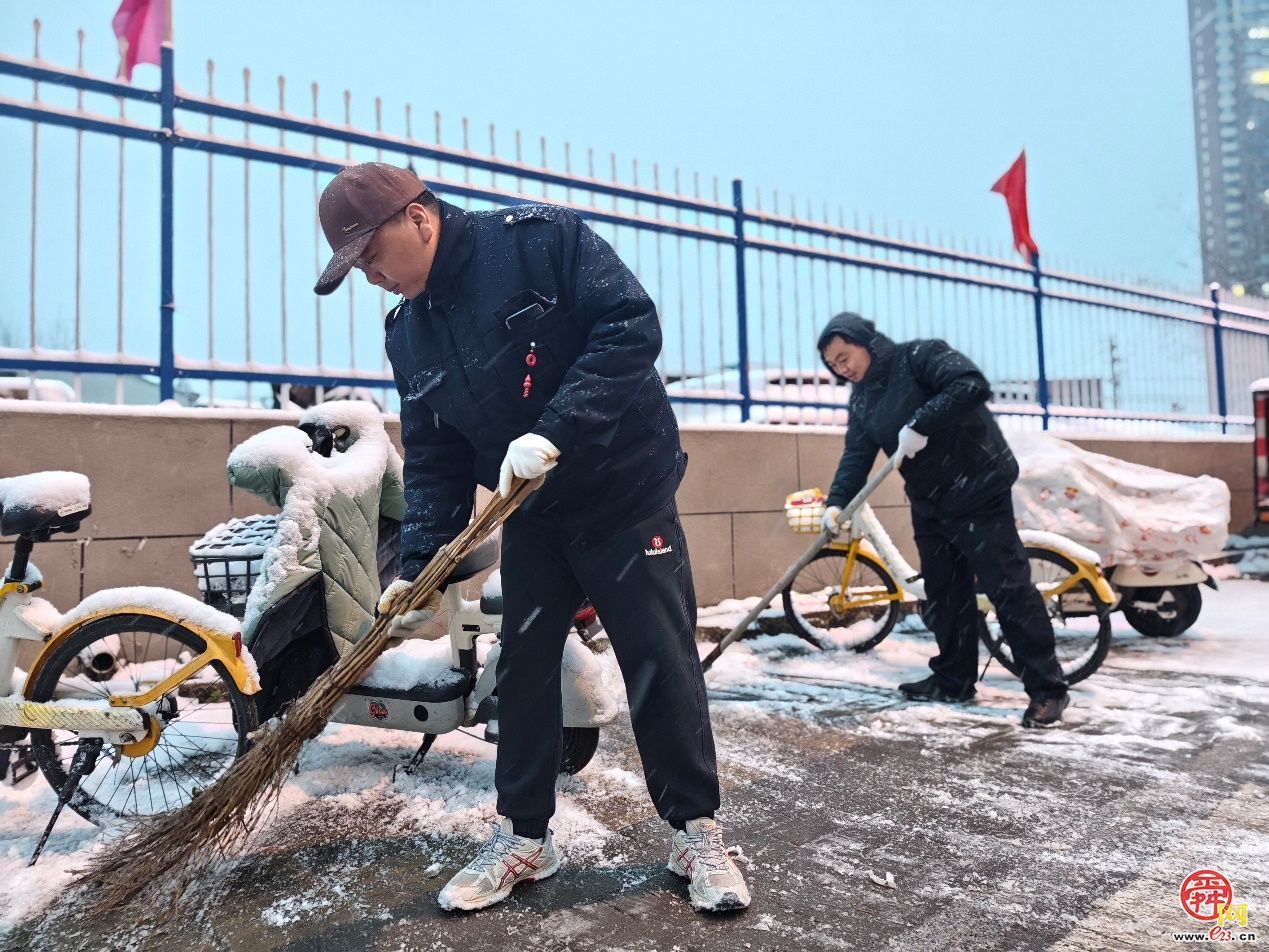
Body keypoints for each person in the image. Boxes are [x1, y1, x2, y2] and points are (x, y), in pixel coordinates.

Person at [313, 162, 750, 913]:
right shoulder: (409, 331)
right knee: (523, 669)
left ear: (418, 218)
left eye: (371, 255)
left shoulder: (540, 242)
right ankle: (523, 838)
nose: (371, 277)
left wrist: (556, 431)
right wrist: (418, 567)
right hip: (537, 512)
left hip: (624, 492)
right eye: (356, 269)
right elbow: (438, 452)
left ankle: (694, 830)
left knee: (657, 660)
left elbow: (628, 327)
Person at [816, 311, 1070, 728]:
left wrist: (920, 425)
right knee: (945, 594)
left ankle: (1048, 690)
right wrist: (837, 501)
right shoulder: (862, 399)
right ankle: (954, 678)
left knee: (1008, 589)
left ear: (864, 341)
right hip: (930, 501)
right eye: (834, 365)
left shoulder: (920, 356)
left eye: (845, 356)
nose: (842, 368)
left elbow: (970, 384)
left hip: (978, 487)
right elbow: (856, 455)